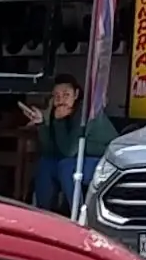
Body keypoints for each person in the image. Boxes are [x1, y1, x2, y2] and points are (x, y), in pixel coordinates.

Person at [28, 69, 111, 214]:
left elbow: (68, 151)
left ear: (76, 95)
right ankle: (43, 214)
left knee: (67, 167)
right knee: (45, 163)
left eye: (66, 95)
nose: (61, 100)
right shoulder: (59, 112)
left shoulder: (85, 112)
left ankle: (78, 215)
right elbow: (50, 150)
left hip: (103, 162)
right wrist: (42, 124)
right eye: (57, 96)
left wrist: (58, 122)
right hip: (77, 158)